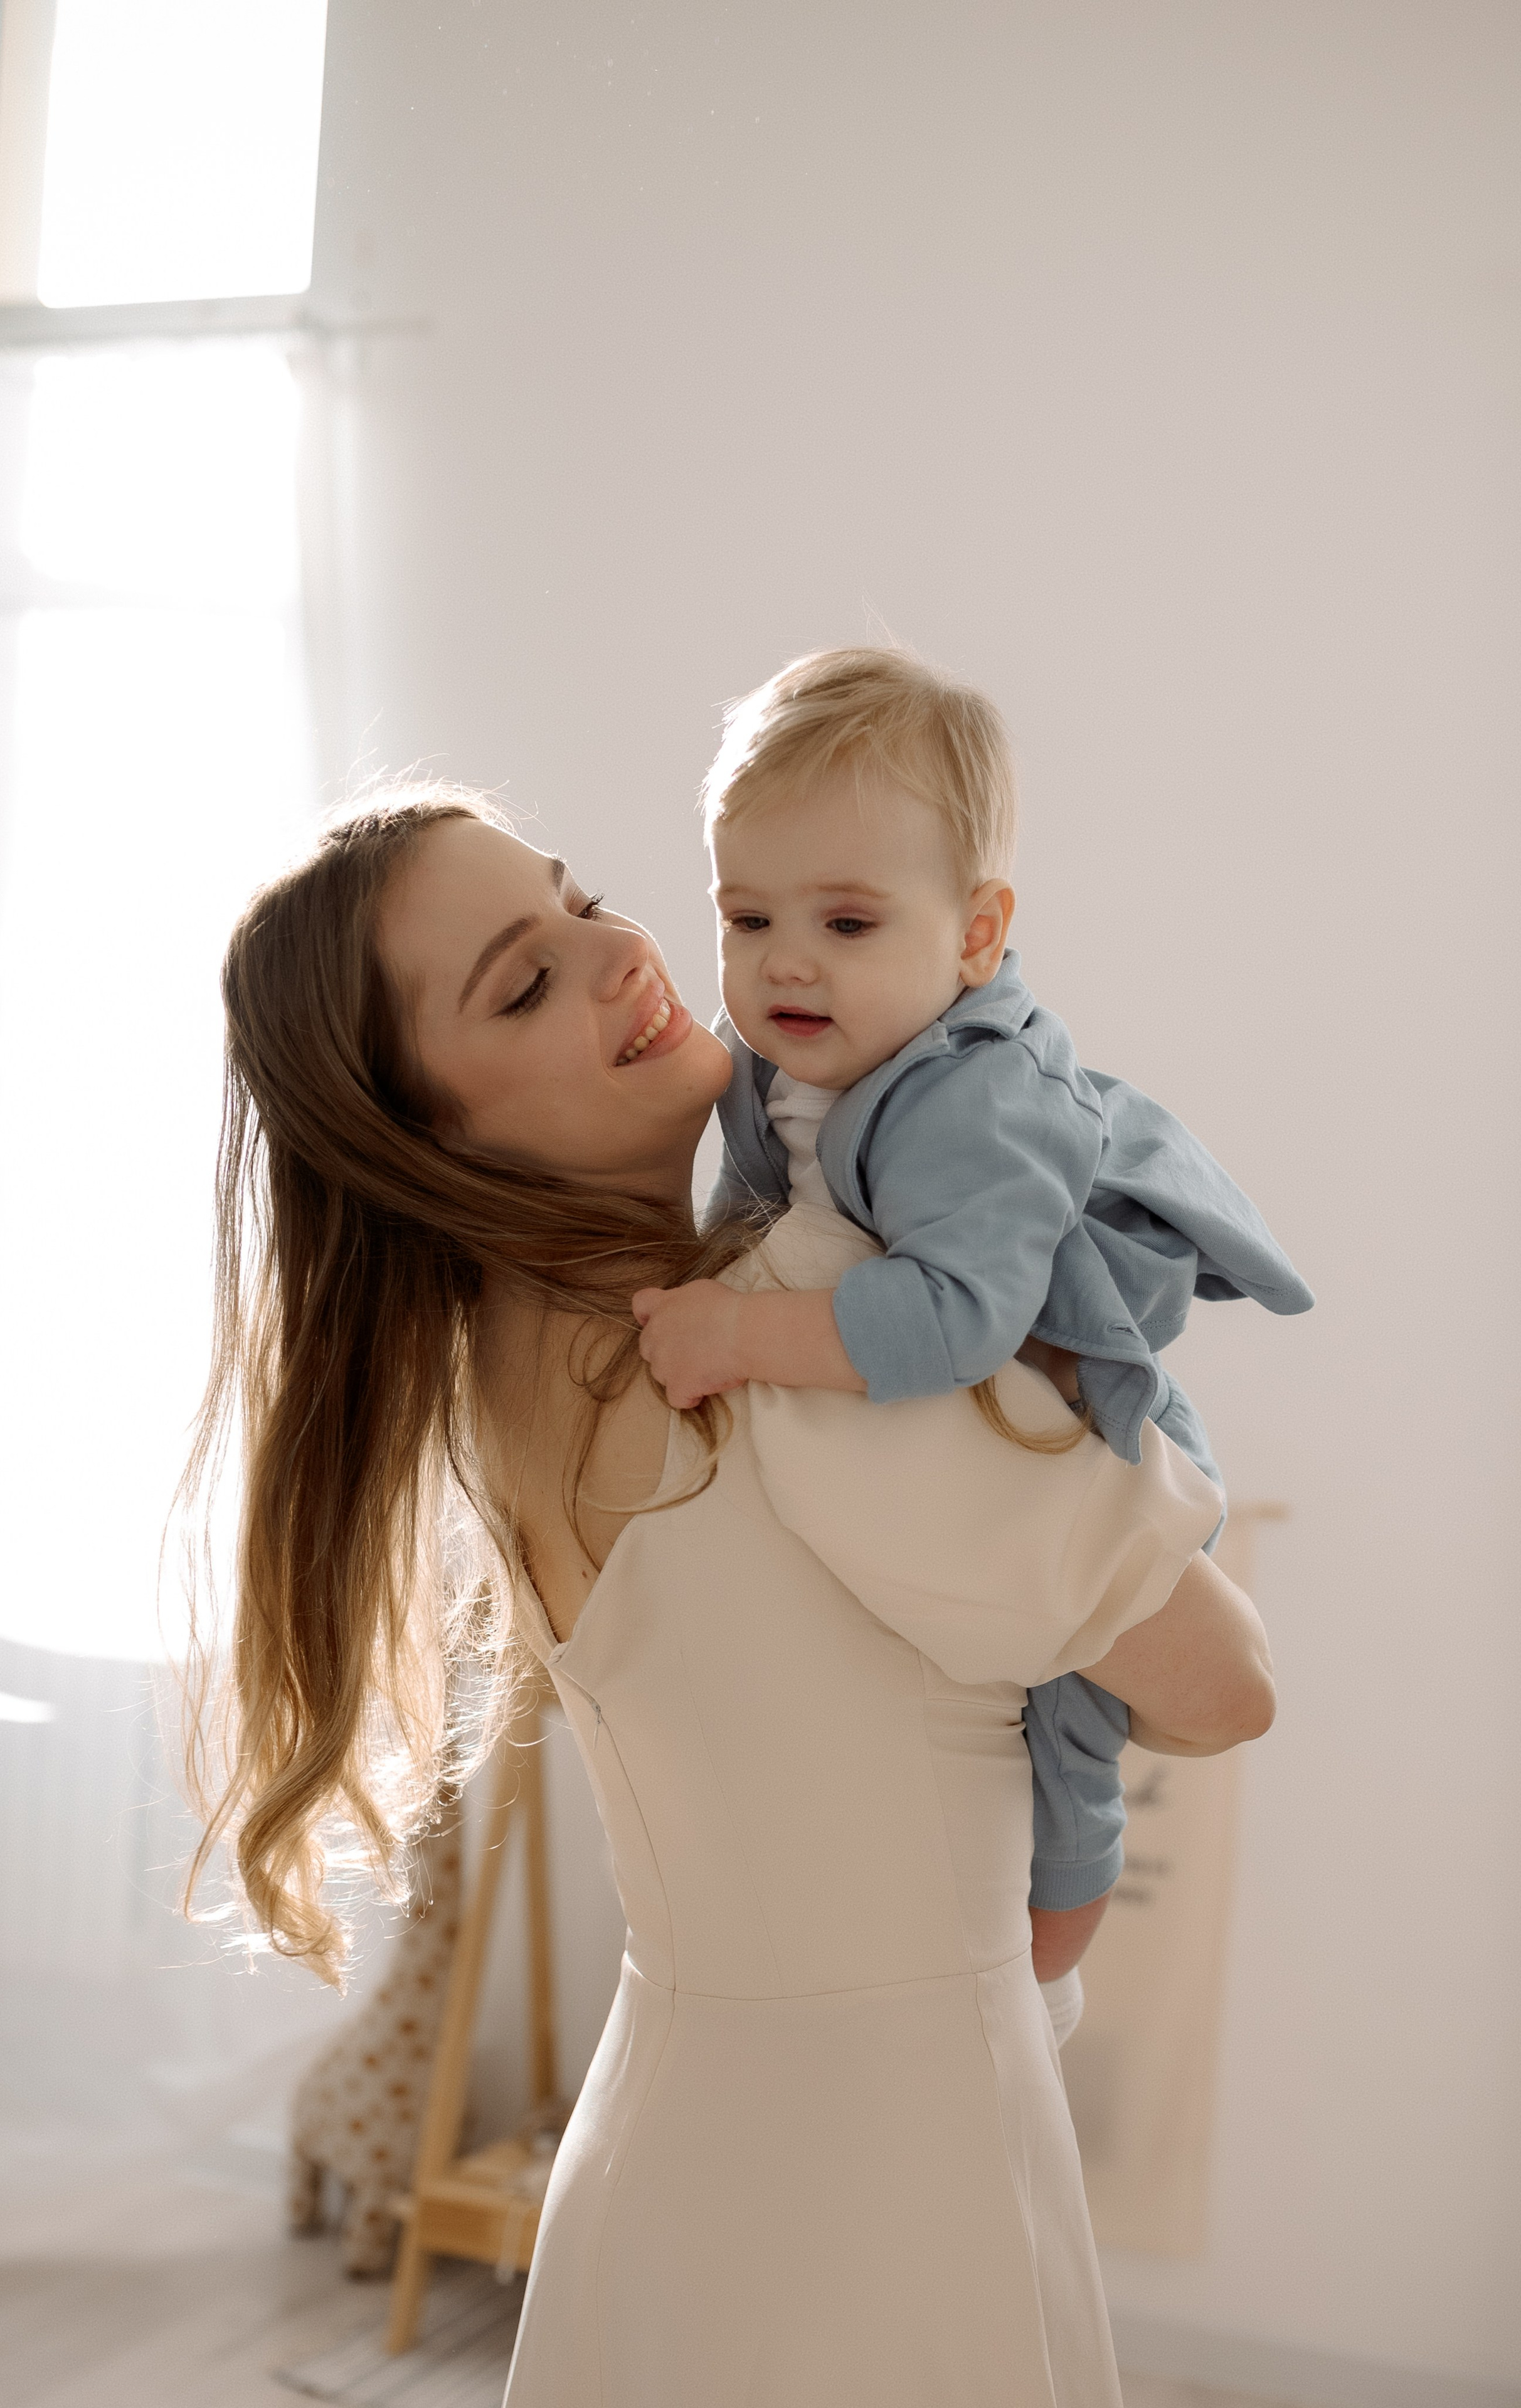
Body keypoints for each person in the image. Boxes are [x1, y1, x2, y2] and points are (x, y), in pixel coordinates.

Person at [185, 785, 1275, 2407]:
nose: (616, 954)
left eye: (578, 901)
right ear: (417, 1137)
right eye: (524, 984)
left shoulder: (492, 1402)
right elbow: (1222, 1685)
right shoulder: (783, 1340)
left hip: (670, 2160)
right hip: (885, 2189)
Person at [633, 647, 1310, 2034]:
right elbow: (755, 1209)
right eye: (746, 915)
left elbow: (958, 1318)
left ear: (976, 936)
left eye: (847, 920)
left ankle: (1051, 1963)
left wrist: (741, 1336)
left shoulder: (979, 1098)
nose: (785, 960)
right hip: (951, 1449)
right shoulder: (776, 1054)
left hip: (1091, 1417)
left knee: (1064, 1720)